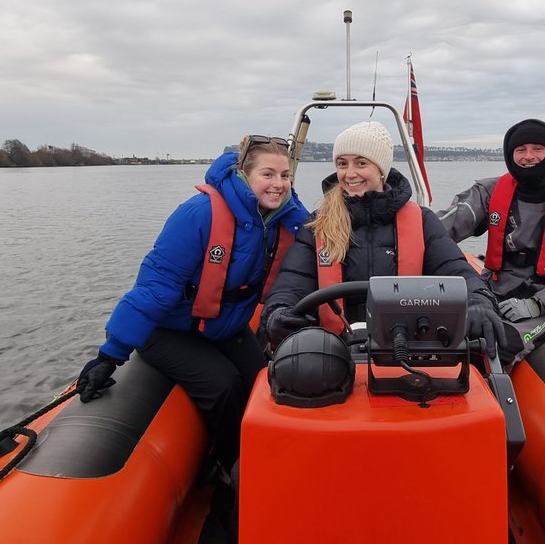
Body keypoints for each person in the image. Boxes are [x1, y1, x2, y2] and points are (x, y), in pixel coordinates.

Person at [75, 134, 309, 477]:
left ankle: (269, 448)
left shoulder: (283, 217)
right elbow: (155, 288)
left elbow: (321, 241)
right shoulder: (198, 214)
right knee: (223, 385)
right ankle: (233, 465)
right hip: (169, 331)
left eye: (285, 175)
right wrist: (110, 356)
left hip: (222, 325)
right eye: (268, 174)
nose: (278, 184)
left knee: (264, 379)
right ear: (244, 174)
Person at [260, 121, 506, 360]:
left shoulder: (421, 221)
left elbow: (453, 268)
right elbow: (292, 283)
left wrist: (477, 299)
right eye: (342, 164)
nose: (349, 173)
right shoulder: (317, 225)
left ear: (381, 169)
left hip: (410, 350)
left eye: (361, 163)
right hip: (333, 352)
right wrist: (278, 312)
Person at [437, 118, 545, 365]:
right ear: (510, 154)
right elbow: (443, 227)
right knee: (441, 333)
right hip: (490, 288)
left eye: (537, 149)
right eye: (520, 150)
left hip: (541, 298)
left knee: (494, 347)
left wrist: (537, 305)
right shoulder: (489, 191)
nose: (529, 156)